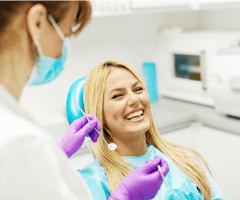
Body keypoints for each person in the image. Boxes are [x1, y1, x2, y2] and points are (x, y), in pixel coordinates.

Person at [0, 1, 169, 200]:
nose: (63, 49)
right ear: (37, 22)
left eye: (138, 89)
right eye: (68, 31)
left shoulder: (184, 161)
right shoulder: (18, 142)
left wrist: (58, 152)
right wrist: (123, 197)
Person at [77, 60, 228, 200]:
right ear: (98, 114)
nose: (135, 99)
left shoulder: (185, 160)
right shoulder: (91, 182)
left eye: (138, 89)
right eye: (117, 95)